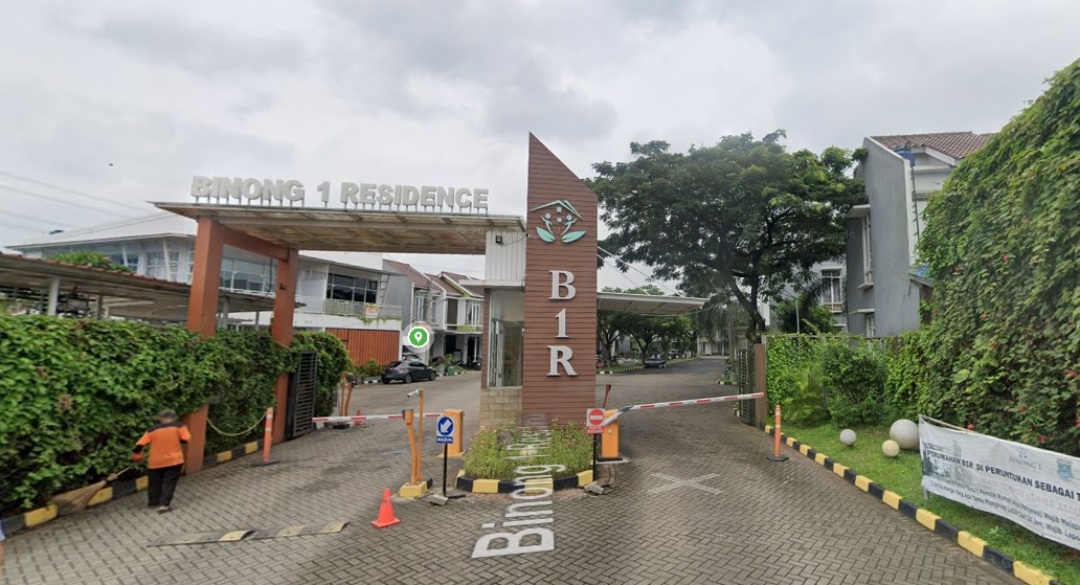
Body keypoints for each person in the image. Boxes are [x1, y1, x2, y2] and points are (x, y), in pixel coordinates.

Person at [132, 410, 191, 513]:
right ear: (174, 418)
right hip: (174, 460)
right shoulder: (179, 426)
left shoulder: (152, 430)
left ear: (160, 418)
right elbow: (185, 439)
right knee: (169, 482)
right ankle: (164, 505)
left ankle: (153, 502)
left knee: (154, 483)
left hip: (155, 462)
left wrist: (137, 456)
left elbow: (139, 445)